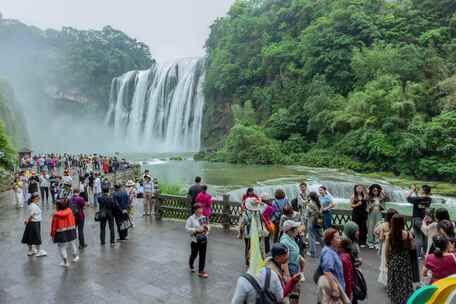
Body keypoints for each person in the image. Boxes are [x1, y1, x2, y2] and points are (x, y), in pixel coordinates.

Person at [231, 243, 300, 304]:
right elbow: (280, 297)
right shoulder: (273, 274)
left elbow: (236, 302)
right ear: (263, 256)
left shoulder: (243, 280)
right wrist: (292, 282)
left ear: (248, 259)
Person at [386, 214, 415, 304]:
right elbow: (413, 247)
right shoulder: (407, 234)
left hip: (394, 261)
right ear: (402, 223)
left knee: (394, 282)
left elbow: (387, 250)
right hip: (405, 261)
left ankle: (395, 300)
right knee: (404, 282)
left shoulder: (389, 235)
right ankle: (404, 300)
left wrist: (387, 261)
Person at [317, 228, 348, 304]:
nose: (340, 239)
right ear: (331, 241)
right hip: (333, 289)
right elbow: (327, 271)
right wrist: (334, 288)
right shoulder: (329, 253)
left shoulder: (331, 250)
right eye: (337, 238)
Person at [280, 220, 306, 303]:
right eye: (296, 228)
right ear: (290, 231)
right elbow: (284, 260)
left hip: (295, 268)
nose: (298, 230)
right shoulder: (285, 242)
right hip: (290, 270)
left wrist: (300, 259)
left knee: (295, 294)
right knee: (293, 294)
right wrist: (288, 276)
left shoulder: (291, 238)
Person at [50, 199, 79, 267]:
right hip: (71, 230)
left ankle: (65, 262)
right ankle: (75, 257)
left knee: (62, 247)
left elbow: (53, 226)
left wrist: (52, 234)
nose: (55, 206)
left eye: (56, 205)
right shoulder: (70, 211)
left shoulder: (56, 215)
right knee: (72, 244)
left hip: (61, 233)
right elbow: (73, 220)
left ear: (59, 206)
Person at [239, 197, 267, 266]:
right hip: (258, 232)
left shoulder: (245, 214)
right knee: (258, 246)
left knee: (247, 247)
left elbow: (242, 225)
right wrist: (259, 202)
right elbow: (265, 206)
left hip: (249, 233)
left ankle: (247, 261)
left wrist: (240, 234)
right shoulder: (259, 211)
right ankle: (260, 260)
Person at [407, 184, 432, 258]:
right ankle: (425, 253)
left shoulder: (417, 199)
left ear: (423, 190)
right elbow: (421, 200)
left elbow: (408, 198)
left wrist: (412, 190)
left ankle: (418, 255)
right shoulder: (429, 199)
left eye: (421, 189)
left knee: (418, 237)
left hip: (417, 219)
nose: (420, 190)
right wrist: (416, 192)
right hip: (424, 220)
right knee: (424, 237)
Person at [374, 208, 398, 286]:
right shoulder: (396, 224)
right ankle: (394, 280)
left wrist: (383, 235)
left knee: (385, 261)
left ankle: (387, 281)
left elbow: (378, 236)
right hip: (395, 245)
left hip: (386, 245)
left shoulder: (383, 225)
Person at [185, 203, 210, 278]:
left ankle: (201, 271)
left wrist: (206, 229)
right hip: (195, 241)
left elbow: (209, 227)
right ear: (195, 210)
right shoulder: (191, 219)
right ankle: (191, 264)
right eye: (199, 209)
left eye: (201, 209)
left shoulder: (204, 217)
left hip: (203, 240)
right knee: (194, 254)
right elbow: (187, 228)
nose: (201, 210)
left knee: (203, 256)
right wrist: (196, 230)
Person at [367, 184, 387, 249]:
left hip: (379, 213)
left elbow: (384, 207)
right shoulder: (369, 198)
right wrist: (373, 204)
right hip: (371, 214)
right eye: (374, 190)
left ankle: (377, 242)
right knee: (371, 227)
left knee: (378, 227)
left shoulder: (381, 198)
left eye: (377, 190)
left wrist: (380, 203)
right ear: (372, 191)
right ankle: (370, 242)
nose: (375, 191)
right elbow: (367, 208)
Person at [307, 192, 323, 258]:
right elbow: (321, 212)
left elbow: (307, 214)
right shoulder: (319, 203)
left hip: (312, 221)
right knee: (320, 236)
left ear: (310, 197)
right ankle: (327, 249)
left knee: (311, 237)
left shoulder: (310, 205)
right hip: (319, 221)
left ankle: (312, 253)